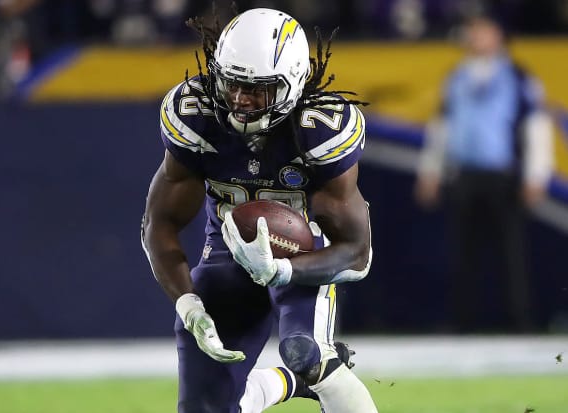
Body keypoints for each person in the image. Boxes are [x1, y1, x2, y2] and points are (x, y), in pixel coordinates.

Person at [141, 7, 378, 413]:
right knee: (206, 402)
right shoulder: (196, 117)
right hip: (227, 249)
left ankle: (305, 371)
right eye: (231, 84)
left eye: (257, 89)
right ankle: (281, 384)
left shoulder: (317, 129)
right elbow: (158, 224)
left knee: (307, 354)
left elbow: (357, 254)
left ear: (292, 84)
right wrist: (187, 303)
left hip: (304, 251)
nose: (240, 99)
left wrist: (284, 270)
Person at [414, 15, 554, 333]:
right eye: (472, 31)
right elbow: (442, 127)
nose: (475, 37)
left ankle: (519, 321)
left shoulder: (518, 77)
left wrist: (536, 175)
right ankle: (462, 321)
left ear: (499, 36)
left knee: (510, 252)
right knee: (462, 251)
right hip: (464, 174)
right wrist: (430, 171)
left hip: (501, 174)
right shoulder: (457, 76)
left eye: (482, 31)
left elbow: (536, 127)